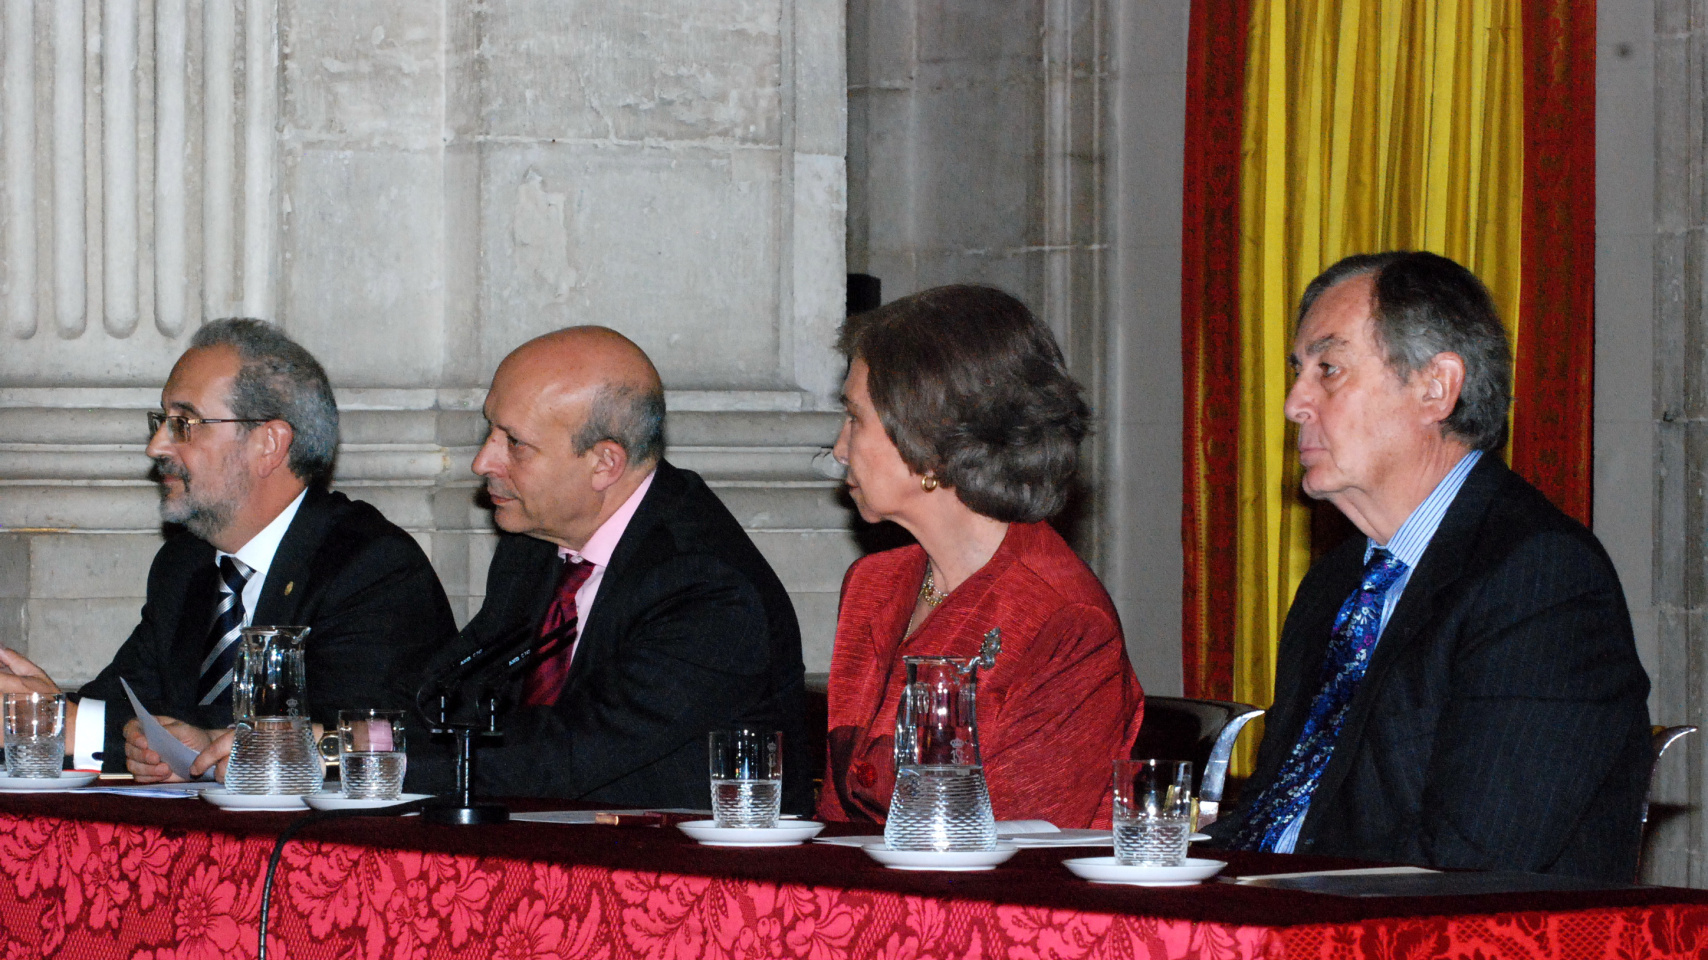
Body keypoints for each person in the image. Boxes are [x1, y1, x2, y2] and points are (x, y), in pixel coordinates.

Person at [1206, 251, 1651, 881]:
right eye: (1298, 371)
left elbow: (1471, 864)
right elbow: (1285, 807)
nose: (1294, 403)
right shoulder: (1336, 585)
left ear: (1436, 387)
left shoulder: (1539, 581)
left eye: (1328, 369)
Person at [0, 318, 454, 778]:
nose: (157, 446)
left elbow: (371, 742)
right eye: (161, 422)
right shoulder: (185, 565)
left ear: (269, 445)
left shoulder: (369, 567)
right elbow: (136, 720)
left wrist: (86, 727)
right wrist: (47, 713)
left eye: (184, 423)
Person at [407, 326, 811, 810]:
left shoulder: (705, 586)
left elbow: (568, 755)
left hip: (678, 871)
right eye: (489, 430)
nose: (481, 462)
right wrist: (356, 738)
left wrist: (367, 760)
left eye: (514, 443)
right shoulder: (536, 543)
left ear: (604, 463)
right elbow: (449, 693)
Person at [816, 285, 1144, 829]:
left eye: (856, 418)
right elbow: (837, 818)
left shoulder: (1062, 623)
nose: (839, 448)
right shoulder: (874, 585)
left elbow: (1022, 863)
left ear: (928, 441)